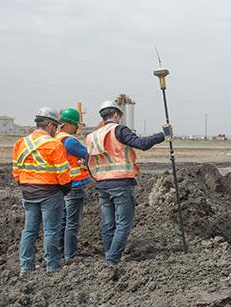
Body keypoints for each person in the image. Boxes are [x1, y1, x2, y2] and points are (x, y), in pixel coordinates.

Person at [86, 100, 170, 267]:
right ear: (116, 114)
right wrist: (163, 135)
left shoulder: (92, 136)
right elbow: (142, 144)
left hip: (102, 184)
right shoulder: (119, 129)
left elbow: (88, 161)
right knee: (123, 223)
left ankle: (109, 257)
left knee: (108, 224)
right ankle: (112, 260)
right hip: (121, 183)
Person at [12, 107, 72, 274]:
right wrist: (65, 188)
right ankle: (52, 267)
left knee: (29, 230)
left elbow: (16, 170)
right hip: (49, 192)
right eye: (56, 127)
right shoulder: (54, 145)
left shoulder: (21, 143)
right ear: (51, 125)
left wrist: (25, 184)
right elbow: (62, 173)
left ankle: (26, 267)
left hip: (28, 192)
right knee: (51, 230)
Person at [55, 108, 91, 263]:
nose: (77, 128)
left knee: (62, 221)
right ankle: (71, 255)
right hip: (74, 186)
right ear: (68, 124)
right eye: (76, 124)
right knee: (72, 222)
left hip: (62, 185)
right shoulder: (69, 141)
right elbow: (88, 154)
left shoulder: (56, 139)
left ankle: (61, 253)